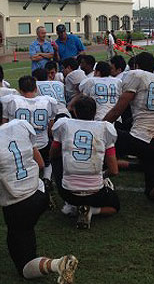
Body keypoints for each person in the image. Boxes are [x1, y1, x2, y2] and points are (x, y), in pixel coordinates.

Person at [0, 97, 78, 284]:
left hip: (19, 206)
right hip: (40, 194)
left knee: (24, 267)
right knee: (25, 230)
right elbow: (40, 164)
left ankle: (58, 264)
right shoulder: (20, 126)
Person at [103, 52, 154, 215]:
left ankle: (98, 176)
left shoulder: (137, 75)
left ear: (135, 66)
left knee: (107, 136)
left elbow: (118, 109)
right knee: (152, 190)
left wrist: (99, 127)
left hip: (140, 138)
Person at [50, 96, 119, 229]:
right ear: (95, 112)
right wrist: (102, 175)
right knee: (114, 206)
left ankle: (73, 206)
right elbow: (114, 170)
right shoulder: (105, 128)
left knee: (56, 157)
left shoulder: (64, 124)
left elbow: (53, 153)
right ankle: (91, 210)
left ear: (75, 112)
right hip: (95, 193)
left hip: (67, 193)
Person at [1, 75, 58, 196]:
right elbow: (50, 128)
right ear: (36, 88)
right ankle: (47, 178)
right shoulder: (48, 101)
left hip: (19, 147)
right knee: (49, 160)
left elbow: (4, 126)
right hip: (42, 144)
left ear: (20, 90)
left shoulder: (11, 101)